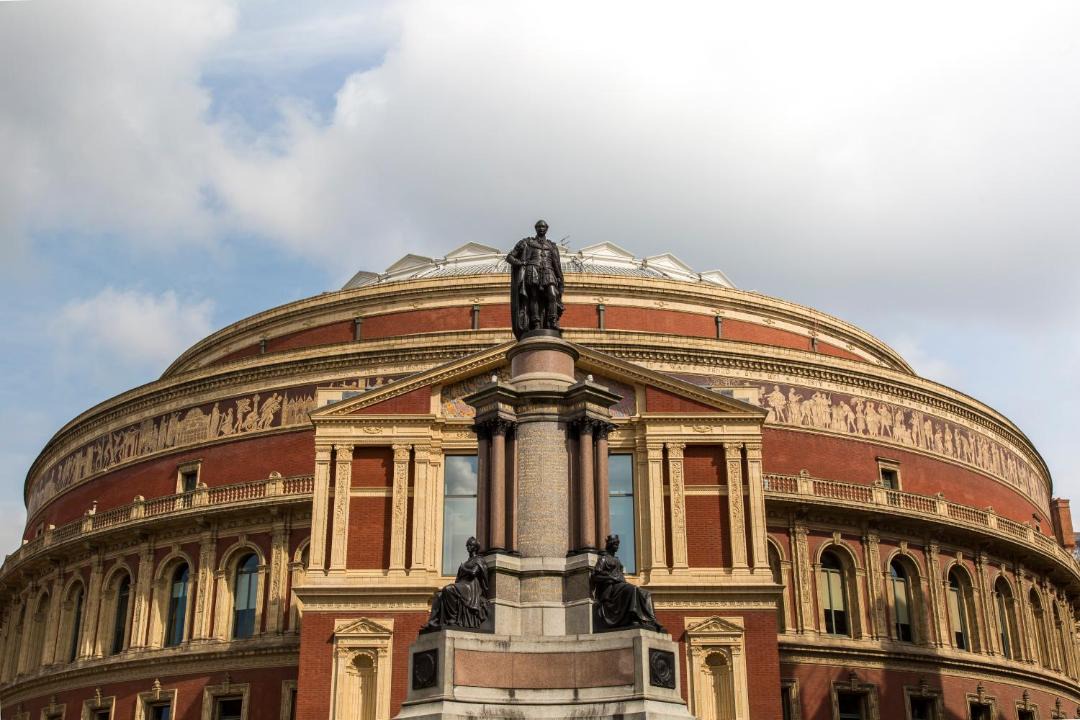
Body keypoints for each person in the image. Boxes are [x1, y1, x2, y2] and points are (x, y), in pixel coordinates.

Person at [590, 534, 664, 632]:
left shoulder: (617, 561)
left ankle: (651, 620)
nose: (617, 546)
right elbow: (595, 576)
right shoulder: (604, 559)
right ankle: (633, 616)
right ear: (610, 545)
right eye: (615, 544)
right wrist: (611, 578)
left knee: (646, 593)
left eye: (617, 544)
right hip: (611, 588)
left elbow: (621, 576)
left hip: (620, 586)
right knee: (633, 590)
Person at [506, 220, 565, 339]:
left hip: (549, 271)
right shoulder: (527, 242)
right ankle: (536, 322)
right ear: (536, 228)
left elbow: (556, 264)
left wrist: (561, 280)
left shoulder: (552, 246)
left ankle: (552, 322)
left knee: (552, 295)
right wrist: (521, 262)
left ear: (547, 228)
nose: (541, 228)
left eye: (543, 227)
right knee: (534, 297)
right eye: (539, 226)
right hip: (532, 270)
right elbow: (510, 257)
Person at [420, 537, 490, 633]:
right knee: (439, 594)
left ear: (475, 547)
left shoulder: (479, 560)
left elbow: (474, 573)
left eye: (470, 545)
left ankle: (452, 619)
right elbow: (458, 579)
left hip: (471, 587)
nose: (467, 547)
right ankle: (432, 622)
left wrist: (463, 568)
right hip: (462, 585)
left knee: (448, 589)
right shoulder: (467, 561)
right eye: (467, 545)